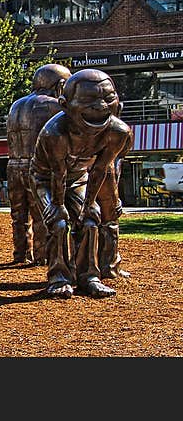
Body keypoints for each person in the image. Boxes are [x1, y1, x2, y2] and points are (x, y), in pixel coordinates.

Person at [30, 69, 133, 299]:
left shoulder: (118, 132)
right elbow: (57, 173)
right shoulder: (54, 133)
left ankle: (89, 277)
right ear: (65, 104)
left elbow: (100, 170)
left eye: (108, 98)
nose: (100, 106)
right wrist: (57, 205)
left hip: (78, 176)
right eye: (88, 100)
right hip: (45, 178)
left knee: (91, 218)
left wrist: (89, 205)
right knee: (58, 222)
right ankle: (59, 277)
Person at [6, 64, 71, 264]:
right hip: (38, 168)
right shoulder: (53, 105)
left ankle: (20, 253)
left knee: (18, 215)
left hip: (14, 165)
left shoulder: (16, 105)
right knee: (43, 214)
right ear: (60, 85)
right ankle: (41, 256)